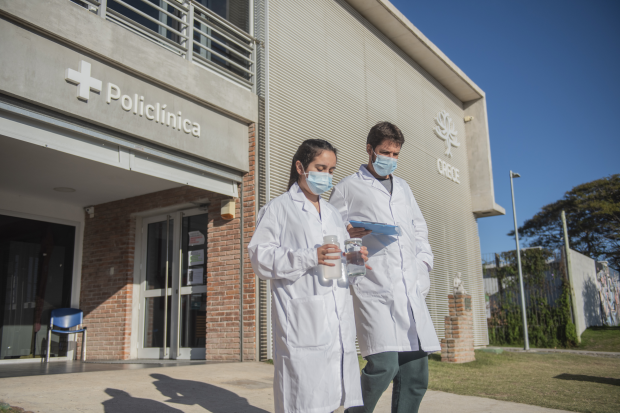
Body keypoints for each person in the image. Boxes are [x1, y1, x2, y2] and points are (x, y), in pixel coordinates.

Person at [248, 139, 369, 413]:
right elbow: (260, 258)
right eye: (320, 168)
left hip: (335, 318)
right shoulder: (277, 209)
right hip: (302, 320)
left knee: (332, 399)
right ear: (301, 167)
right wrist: (308, 256)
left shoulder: (332, 215)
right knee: (303, 400)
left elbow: (339, 267)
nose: (326, 176)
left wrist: (354, 262)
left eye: (331, 170)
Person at [329, 122, 440, 413]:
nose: (389, 158)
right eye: (384, 152)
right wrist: (348, 236)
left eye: (395, 153)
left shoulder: (403, 187)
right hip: (374, 287)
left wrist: (424, 264)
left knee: (416, 374)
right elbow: (329, 231)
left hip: (409, 288)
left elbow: (419, 229)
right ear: (369, 149)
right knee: (383, 366)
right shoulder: (348, 187)